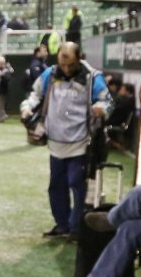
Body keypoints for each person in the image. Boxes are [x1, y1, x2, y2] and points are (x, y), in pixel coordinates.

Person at [21, 42, 113, 238]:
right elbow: (35, 94)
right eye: (63, 64)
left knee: (77, 184)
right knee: (56, 186)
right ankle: (62, 225)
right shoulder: (51, 73)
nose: (66, 69)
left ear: (79, 58)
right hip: (55, 142)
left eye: (70, 64)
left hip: (80, 142)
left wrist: (101, 108)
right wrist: (27, 107)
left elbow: (107, 101)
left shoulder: (92, 77)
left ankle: (76, 227)